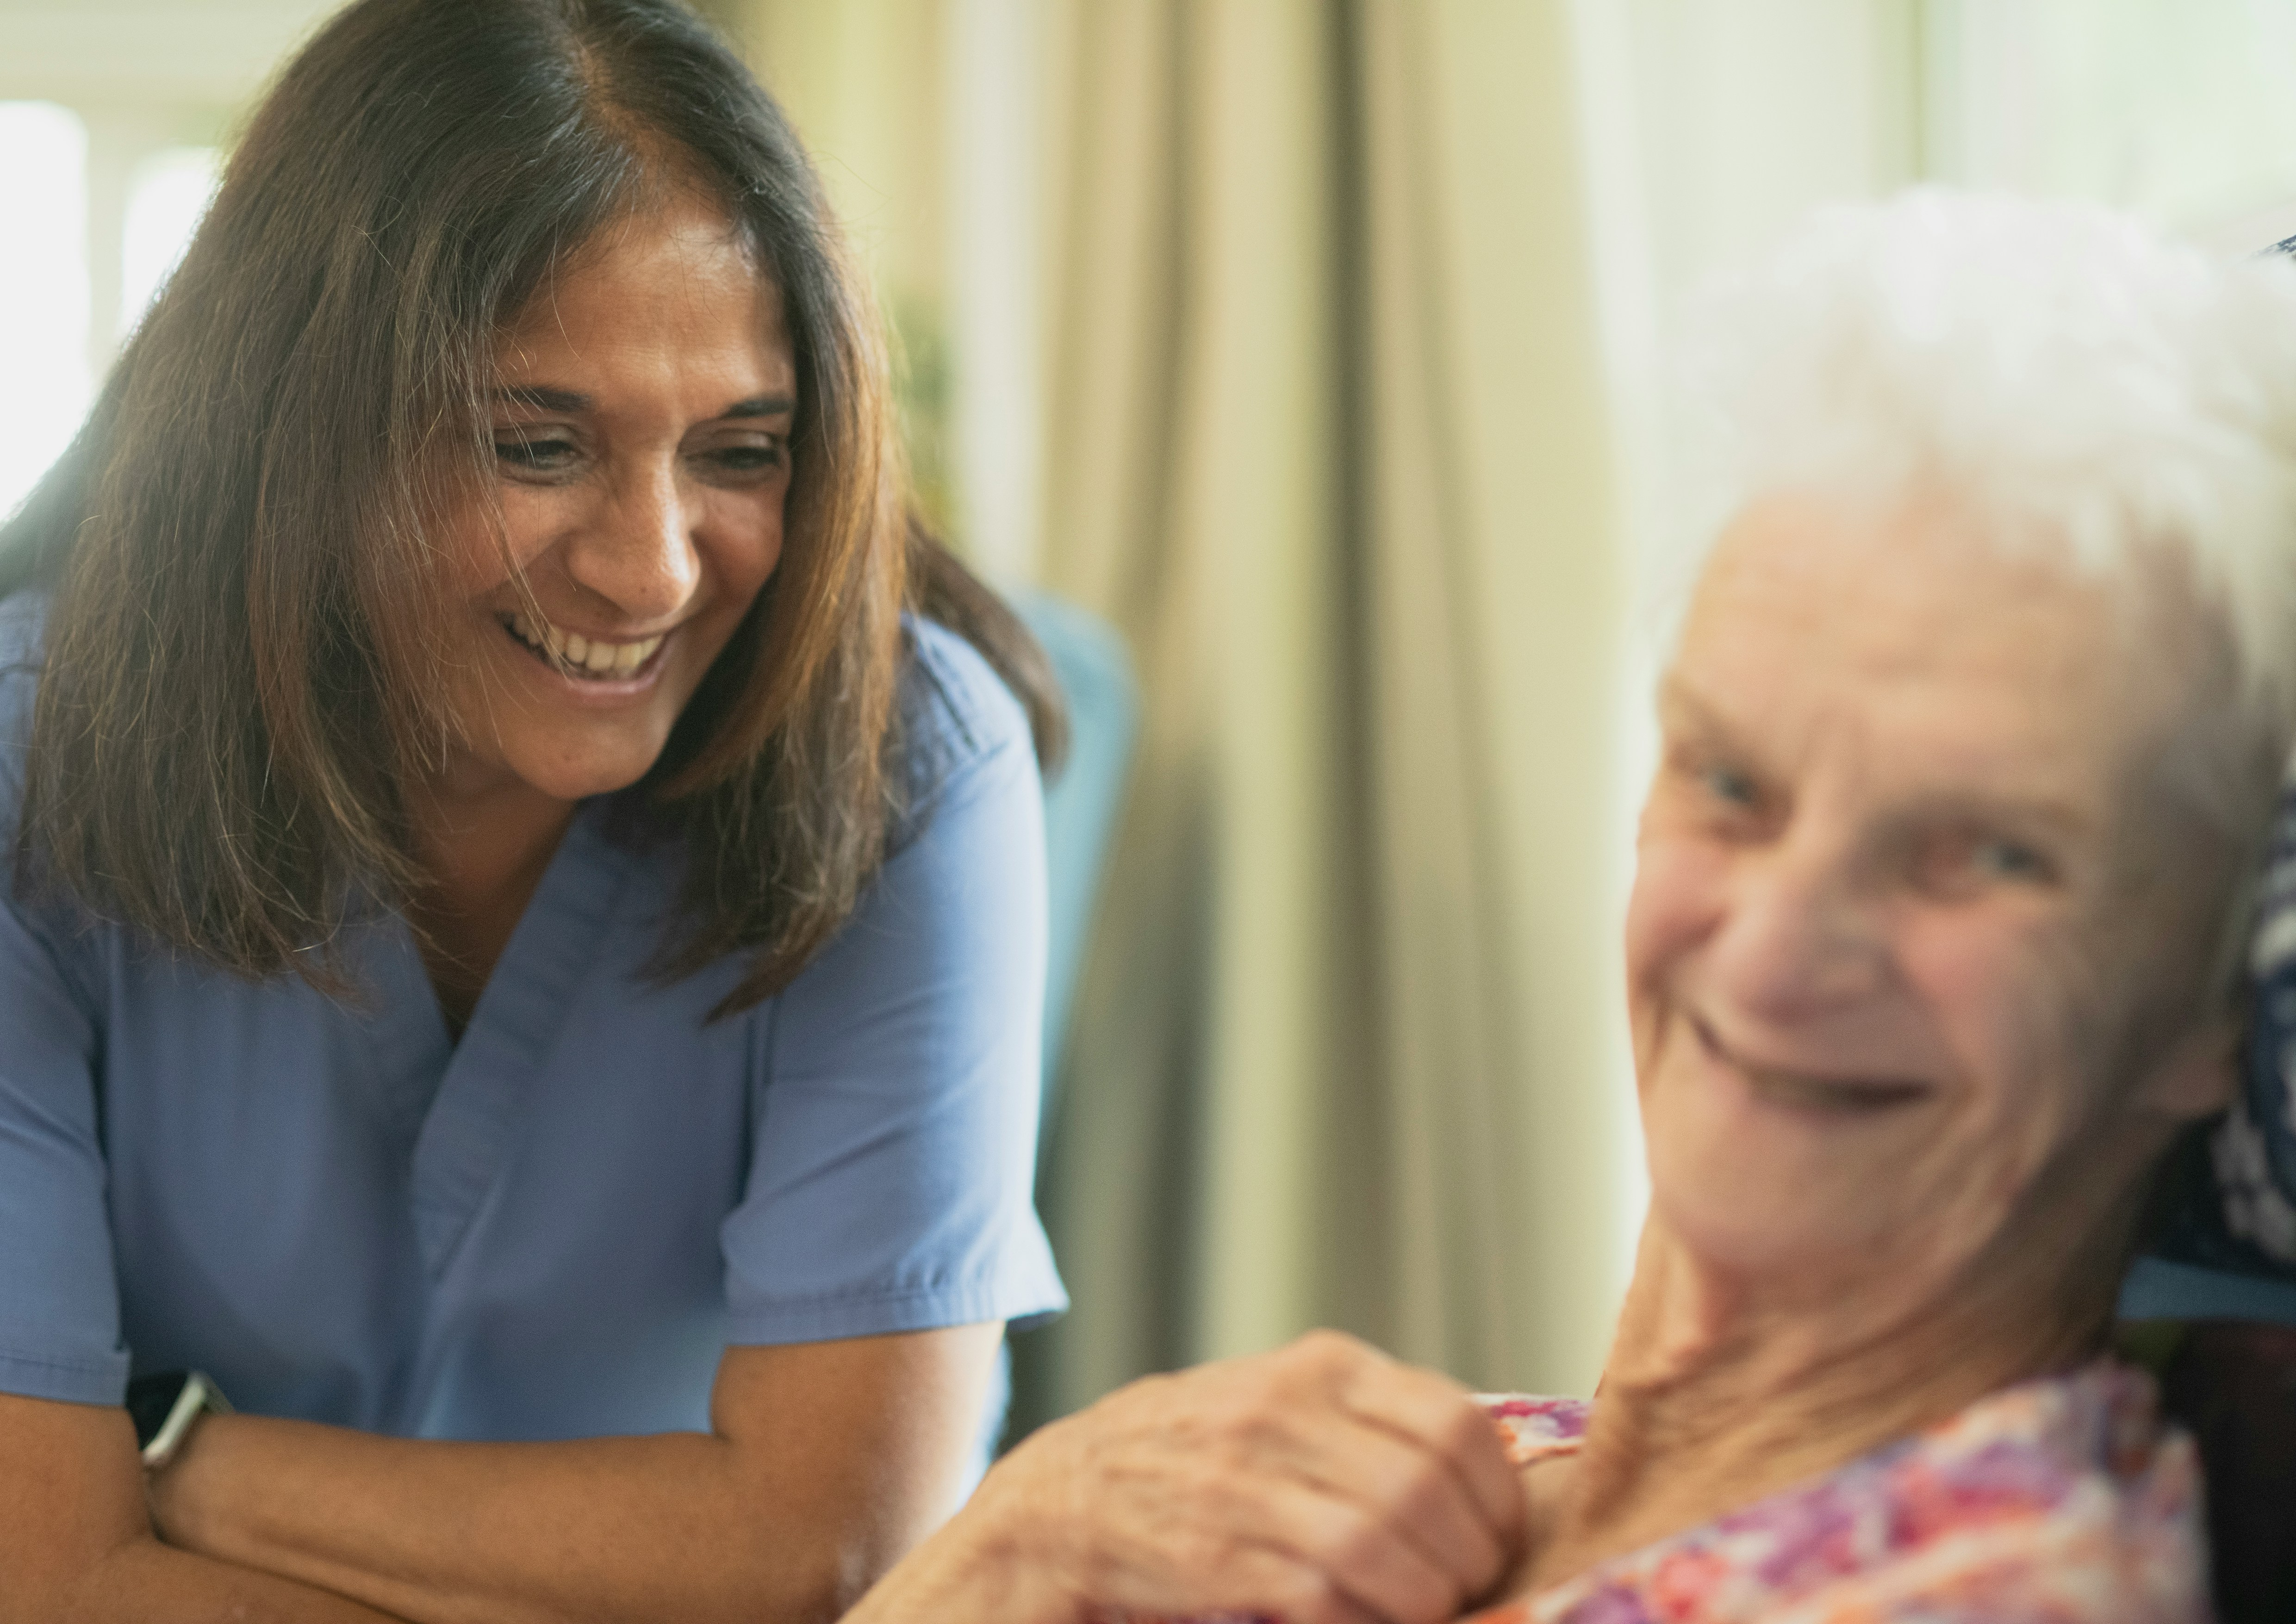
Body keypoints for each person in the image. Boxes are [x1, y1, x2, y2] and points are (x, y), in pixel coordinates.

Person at [841, 190, 2296, 1624]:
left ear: (2207, 1006)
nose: (1776, 949)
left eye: (1980, 855)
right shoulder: (1488, 1464)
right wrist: (1034, 1528)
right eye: (1731, 782)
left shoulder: (1977, 1587)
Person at [0, 1, 1066, 1619]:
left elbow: (834, 1546)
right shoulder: (28, 777)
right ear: (295, 427)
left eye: (741, 449)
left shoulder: (903, 765)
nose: (651, 567)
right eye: (536, 441)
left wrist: (173, 1459)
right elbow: (48, 1574)